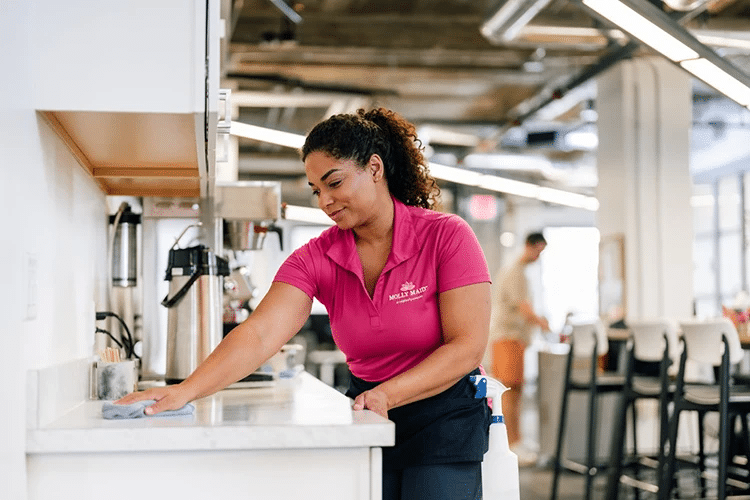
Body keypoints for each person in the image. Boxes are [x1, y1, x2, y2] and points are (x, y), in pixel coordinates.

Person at [118, 108, 492, 500]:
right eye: (316, 190)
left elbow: (466, 346)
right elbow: (260, 334)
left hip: (445, 415)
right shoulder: (317, 257)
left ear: (375, 168)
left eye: (334, 183)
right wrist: (186, 391)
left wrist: (389, 394)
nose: (324, 201)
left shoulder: (446, 237)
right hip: (368, 413)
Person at [489, 232, 549, 466]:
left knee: (516, 391)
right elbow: (524, 309)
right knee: (509, 393)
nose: (538, 256)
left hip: (516, 340)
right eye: (538, 251)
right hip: (507, 338)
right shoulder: (514, 271)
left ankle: (517, 441)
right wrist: (547, 326)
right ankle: (511, 444)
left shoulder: (521, 272)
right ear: (529, 246)